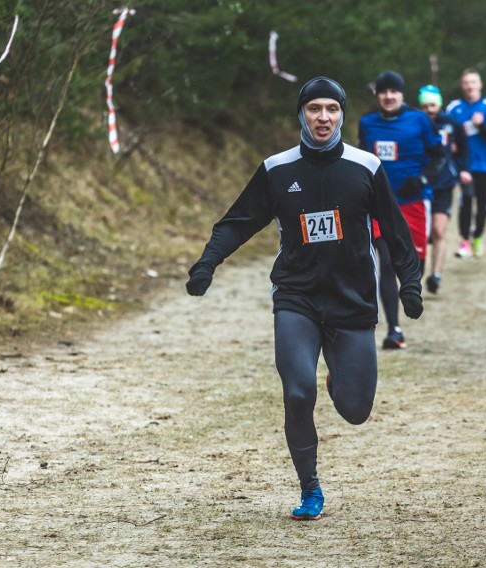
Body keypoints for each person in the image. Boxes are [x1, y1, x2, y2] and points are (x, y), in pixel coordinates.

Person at [185, 77, 424, 521]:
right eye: (314, 108)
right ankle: (310, 488)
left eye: (332, 109)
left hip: (352, 300)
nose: (323, 117)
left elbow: (396, 232)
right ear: (301, 113)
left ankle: (340, 380)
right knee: (298, 392)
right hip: (297, 297)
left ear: (342, 115)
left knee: (356, 410)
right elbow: (237, 222)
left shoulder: (365, 167)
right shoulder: (278, 168)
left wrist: (410, 283)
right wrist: (206, 264)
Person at [358, 71, 444, 349]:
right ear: (378, 95)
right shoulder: (367, 123)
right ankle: (394, 329)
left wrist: (422, 179)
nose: (389, 96)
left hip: (414, 202)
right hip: (381, 205)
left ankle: (410, 304)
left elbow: (439, 156)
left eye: (394, 91)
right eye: (384, 91)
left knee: (412, 265)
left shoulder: (420, 120)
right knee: (384, 262)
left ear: (402, 94)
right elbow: (360, 161)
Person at [445, 68, 486, 259]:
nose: (469, 86)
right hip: (465, 167)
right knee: (465, 202)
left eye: (473, 82)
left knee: (482, 205)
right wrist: (451, 145)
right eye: (466, 82)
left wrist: (482, 126)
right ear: (462, 86)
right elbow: (443, 133)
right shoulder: (453, 108)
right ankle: (464, 241)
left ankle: (478, 237)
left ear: (480, 85)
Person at [417, 84, 471, 294]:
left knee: (439, 230)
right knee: (421, 234)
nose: (429, 109)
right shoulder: (415, 122)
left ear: (438, 104)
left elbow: (464, 148)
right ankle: (414, 277)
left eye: (432, 105)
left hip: (444, 184)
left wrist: (463, 169)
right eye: (425, 105)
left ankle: (436, 275)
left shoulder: (451, 123)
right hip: (420, 185)